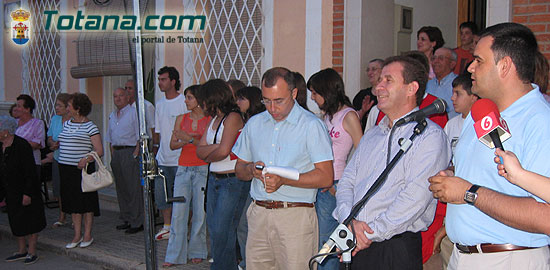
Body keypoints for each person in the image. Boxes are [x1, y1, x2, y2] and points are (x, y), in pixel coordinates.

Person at [428, 23, 550, 269]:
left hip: (509, 258)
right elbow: (481, 175)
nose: (470, 67)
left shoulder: (539, 121)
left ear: (504, 66)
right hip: (463, 256)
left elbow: (545, 217)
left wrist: (468, 192)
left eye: (478, 61)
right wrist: (453, 177)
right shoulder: (482, 112)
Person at [333, 56, 451, 270]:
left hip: (393, 245)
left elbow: (415, 198)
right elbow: (347, 182)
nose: (378, 87)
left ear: (411, 89)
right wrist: (348, 221)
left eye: (388, 80)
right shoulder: (372, 135)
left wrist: (368, 233)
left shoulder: (429, 136)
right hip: (353, 238)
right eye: (379, 80)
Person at [233, 67, 334, 270]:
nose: (272, 107)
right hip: (259, 213)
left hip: (295, 216)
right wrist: (252, 170)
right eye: (266, 100)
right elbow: (239, 169)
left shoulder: (311, 125)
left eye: (278, 100)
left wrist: (284, 180)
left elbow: (326, 178)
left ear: (294, 93)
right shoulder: (255, 123)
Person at [308, 68, 363, 270]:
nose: (312, 97)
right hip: (323, 181)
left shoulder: (348, 115)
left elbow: (363, 152)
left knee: (328, 239)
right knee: (322, 238)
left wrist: (339, 186)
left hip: (336, 182)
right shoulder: (327, 116)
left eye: (315, 92)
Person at [196, 79, 249, 270]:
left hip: (231, 181)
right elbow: (199, 151)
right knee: (216, 230)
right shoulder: (213, 120)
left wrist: (212, 151)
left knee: (223, 231)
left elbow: (224, 150)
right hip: (214, 179)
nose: (201, 104)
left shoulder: (233, 117)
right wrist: (215, 149)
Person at [431, 74, 478, 269]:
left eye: (458, 94)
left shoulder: (482, 124)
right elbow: (448, 161)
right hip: (452, 201)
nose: (452, 98)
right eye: (452, 93)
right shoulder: (453, 124)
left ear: (474, 96)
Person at [163, 85, 211, 267]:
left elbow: (207, 146)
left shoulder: (209, 119)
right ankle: (174, 255)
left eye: (189, 97)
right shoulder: (181, 118)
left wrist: (188, 138)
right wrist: (186, 138)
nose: (186, 101)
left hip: (202, 168)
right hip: (183, 168)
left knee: (200, 211)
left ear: (199, 99)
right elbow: (172, 144)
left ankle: (197, 250)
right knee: (178, 213)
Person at [58, 93, 104, 249]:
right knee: (73, 204)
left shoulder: (90, 126)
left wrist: (86, 159)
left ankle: (87, 234)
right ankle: (76, 235)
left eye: (69, 105)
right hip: (66, 169)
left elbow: (99, 150)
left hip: (82, 169)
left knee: (86, 204)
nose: (67, 108)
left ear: (78, 108)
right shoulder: (67, 123)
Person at [0, 116, 46, 265]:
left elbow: (30, 171)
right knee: (16, 220)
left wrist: (27, 193)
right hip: (10, 190)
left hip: (26, 189)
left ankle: (32, 251)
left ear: (6, 131)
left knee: (31, 220)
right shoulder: (1, 145)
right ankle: (21, 250)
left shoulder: (21, 145)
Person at [153, 66, 188, 241]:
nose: (160, 83)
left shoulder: (184, 102)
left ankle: (180, 228)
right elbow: (158, 132)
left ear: (173, 81)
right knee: (162, 194)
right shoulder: (159, 104)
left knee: (180, 196)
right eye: (159, 79)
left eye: (164, 79)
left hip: (180, 158)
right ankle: (167, 226)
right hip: (163, 158)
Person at [234, 85, 266, 270]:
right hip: (247, 175)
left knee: (246, 225)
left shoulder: (257, 122)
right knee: (243, 224)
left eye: (242, 99)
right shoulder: (248, 121)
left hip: (258, 179)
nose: (237, 103)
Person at [107, 88, 143, 234]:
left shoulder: (134, 113)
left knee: (133, 189)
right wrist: (113, 154)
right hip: (117, 153)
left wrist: (135, 154)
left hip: (130, 152)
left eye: (121, 95)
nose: (118, 99)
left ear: (128, 97)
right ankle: (126, 218)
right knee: (121, 188)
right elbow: (110, 137)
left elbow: (140, 136)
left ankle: (137, 221)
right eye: (115, 96)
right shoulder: (112, 115)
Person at [47, 93, 71, 228]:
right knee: (60, 188)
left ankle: (75, 215)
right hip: (58, 157)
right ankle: (62, 216)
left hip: (70, 159)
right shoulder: (55, 119)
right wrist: (52, 143)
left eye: (59, 105)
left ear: (68, 107)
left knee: (71, 187)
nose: (56, 108)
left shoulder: (73, 119)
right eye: (56, 105)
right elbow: (50, 135)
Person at [12, 94, 45, 176]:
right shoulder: (12, 123)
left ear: (27, 109)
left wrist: (16, 143)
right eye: (16, 106)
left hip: (31, 162)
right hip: (13, 163)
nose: (16, 108)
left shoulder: (37, 123)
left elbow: (37, 144)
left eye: (19, 106)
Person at [426, 47, 459, 119]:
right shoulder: (427, 85)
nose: (435, 61)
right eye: (433, 58)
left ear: (452, 64)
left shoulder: (459, 84)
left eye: (441, 58)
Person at [353, 59, 381, 131]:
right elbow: (352, 122)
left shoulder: (389, 96)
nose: (370, 73)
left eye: (374, 69)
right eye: (368, 70)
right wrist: (363, 111)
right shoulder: (362, 95)